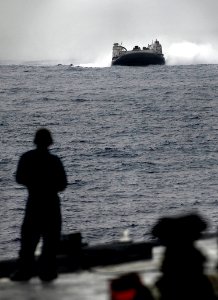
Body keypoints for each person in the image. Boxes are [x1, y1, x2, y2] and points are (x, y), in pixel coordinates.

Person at [11, 128, 67, 281]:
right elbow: (63, 184)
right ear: (50, 142)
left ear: (35, 141)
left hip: (34, 202)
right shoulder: (54, 161)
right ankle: (47, 272)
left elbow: (20, 179)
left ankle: (25, 271)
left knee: (28, 241)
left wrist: (34, 184)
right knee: (50, 242)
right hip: (51, 205)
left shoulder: (27, 158)